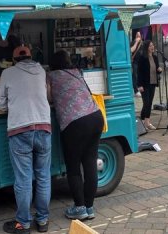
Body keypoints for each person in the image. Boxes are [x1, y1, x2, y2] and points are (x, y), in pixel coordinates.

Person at [0, 46, 51, 233]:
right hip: (44, 127)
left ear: (14, 60)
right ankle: (43, 221)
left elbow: (3, 104)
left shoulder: (7, 73)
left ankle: (24, 223)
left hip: (20, 129)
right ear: (31, 57)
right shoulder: (41, 71)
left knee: (24, 179)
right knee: (43, 176)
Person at [47, 50, 104, 221]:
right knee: (90, 163)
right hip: (95, 116)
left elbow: (48, 98)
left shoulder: (51, 76)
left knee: (73, 167)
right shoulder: (77, 72)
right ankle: (89, 207)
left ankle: (79, 207)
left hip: (75, 122)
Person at [135, 39, 161, 130]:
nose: (152, 47)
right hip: (144, 84)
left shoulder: (155, 58)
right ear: (146, 47)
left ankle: (147, 122)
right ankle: (143, 121)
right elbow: (139, 72)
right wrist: (139, 85)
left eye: (153, 45)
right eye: (150, 46)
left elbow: (156, 68)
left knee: (149, 103)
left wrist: (159, 70)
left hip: (153, 83)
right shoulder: (142, 58)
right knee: (146, 103)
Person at [130, 31, 143, 97]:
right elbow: (131, 50)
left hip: (141, 62)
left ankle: (140, 88)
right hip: (135, 62)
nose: (138, 37)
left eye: (139, 36)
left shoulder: (143, 43)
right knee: (134, 75)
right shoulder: (133, 42)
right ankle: (135, 90)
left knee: (140, 75)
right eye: (137, 36)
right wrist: (136, 42)